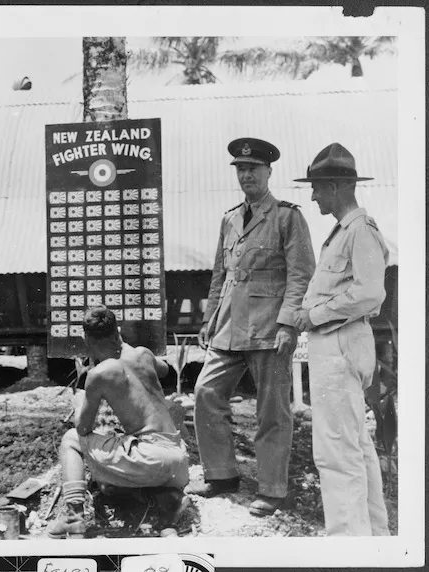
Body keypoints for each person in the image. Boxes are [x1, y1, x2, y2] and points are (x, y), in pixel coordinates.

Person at [190, 138, 315, 516]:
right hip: (228, 326)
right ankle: (221, 474)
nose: (246, 175)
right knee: (205, 393)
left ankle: (272, 489)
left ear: (268, 172)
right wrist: (210, 318)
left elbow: (301, 274)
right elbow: (220, 274)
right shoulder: (229, 218)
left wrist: (288, 325)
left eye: (253, 169)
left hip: (268, 330)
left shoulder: (287, 217)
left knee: (272, 411)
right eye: (241, 169)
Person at [293, 143, 390, 536]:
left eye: (317, 187)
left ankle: (347, 544)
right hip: (335, 343)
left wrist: (313, 315)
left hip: (339, 343)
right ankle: (372, 538)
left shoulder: (359, 231)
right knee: (355, 447)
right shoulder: (343, 232)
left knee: (336, 451)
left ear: (335, 186)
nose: (314, 195)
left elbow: (370, 293)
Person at [48, 306, 190, 539]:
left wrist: (80, 402)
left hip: (149, 459)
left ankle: (74, 518)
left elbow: (83, 428)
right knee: (114, 474)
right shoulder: (143, 354)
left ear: (87, 338)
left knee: (71, 440)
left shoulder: (100, 373)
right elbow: (163, 370)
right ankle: (166, 499)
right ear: (118, 331)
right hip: (178, 460)